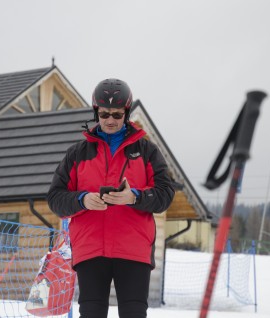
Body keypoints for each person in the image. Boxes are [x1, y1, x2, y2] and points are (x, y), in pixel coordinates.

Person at [47, 78, 175, 318]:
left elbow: (165, 195)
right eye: (104, 114)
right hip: (90, 248)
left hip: (133, 249)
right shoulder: (77, 153)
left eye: (117, 115)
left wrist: (134, 197)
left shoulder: (147, 151)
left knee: (134, 313)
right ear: (96, 112)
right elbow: (55, 198)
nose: (110, 121)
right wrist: (83, 200)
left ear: (126, 114)